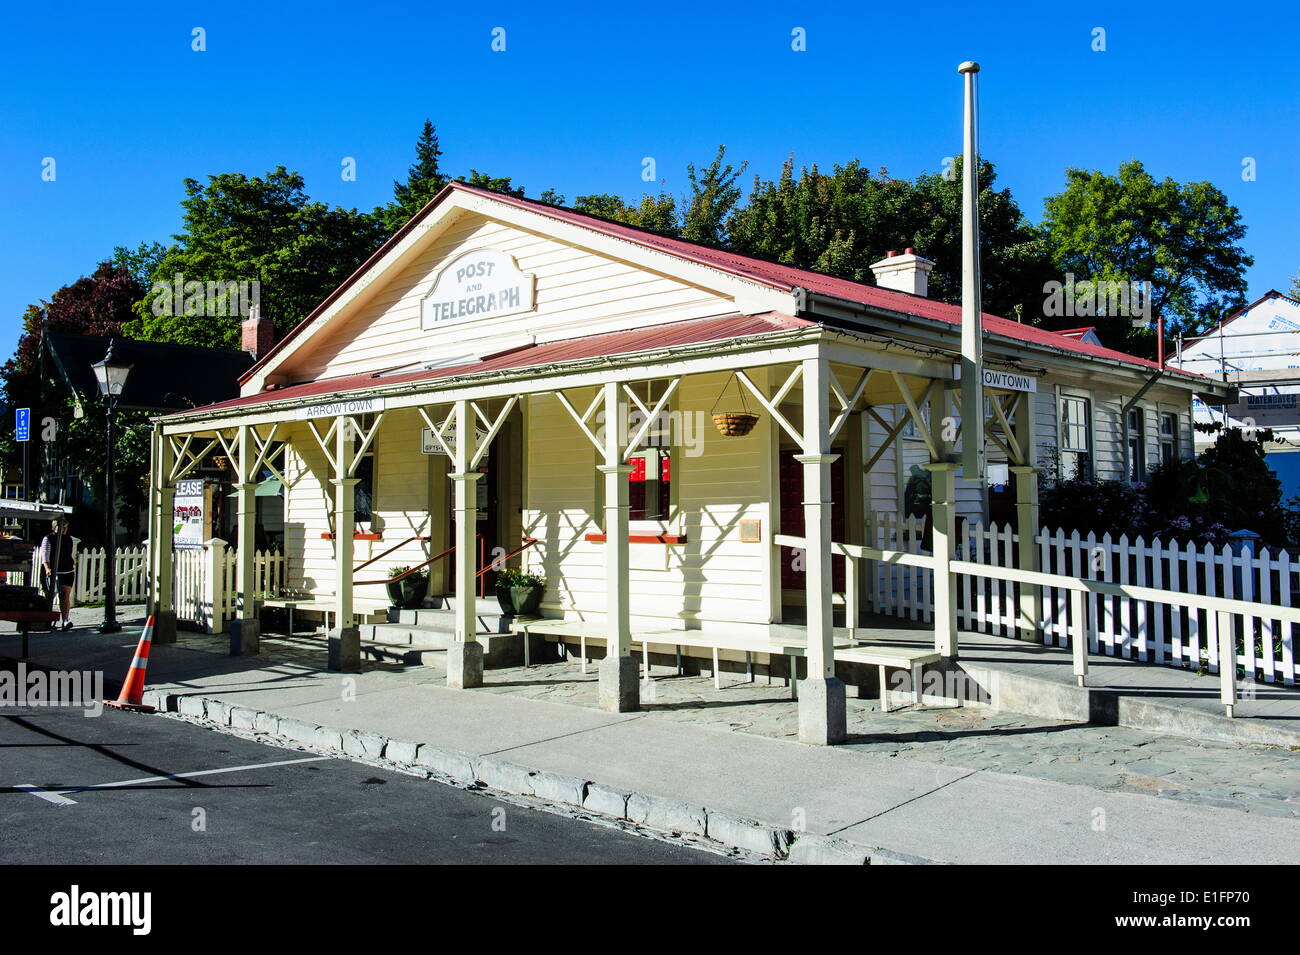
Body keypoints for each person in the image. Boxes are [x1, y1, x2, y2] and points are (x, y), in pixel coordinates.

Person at [40, 518, 75, 631]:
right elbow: (45, 554)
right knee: (50, 596)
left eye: (66, 527)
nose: (64, 530)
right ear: (54, 528)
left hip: (67, 571)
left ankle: (65, 620)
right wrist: (47, 568)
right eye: (61, 527)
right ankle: (46, 621)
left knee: (65, 596)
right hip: (53, 571)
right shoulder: (49, 538)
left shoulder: (69, 539)